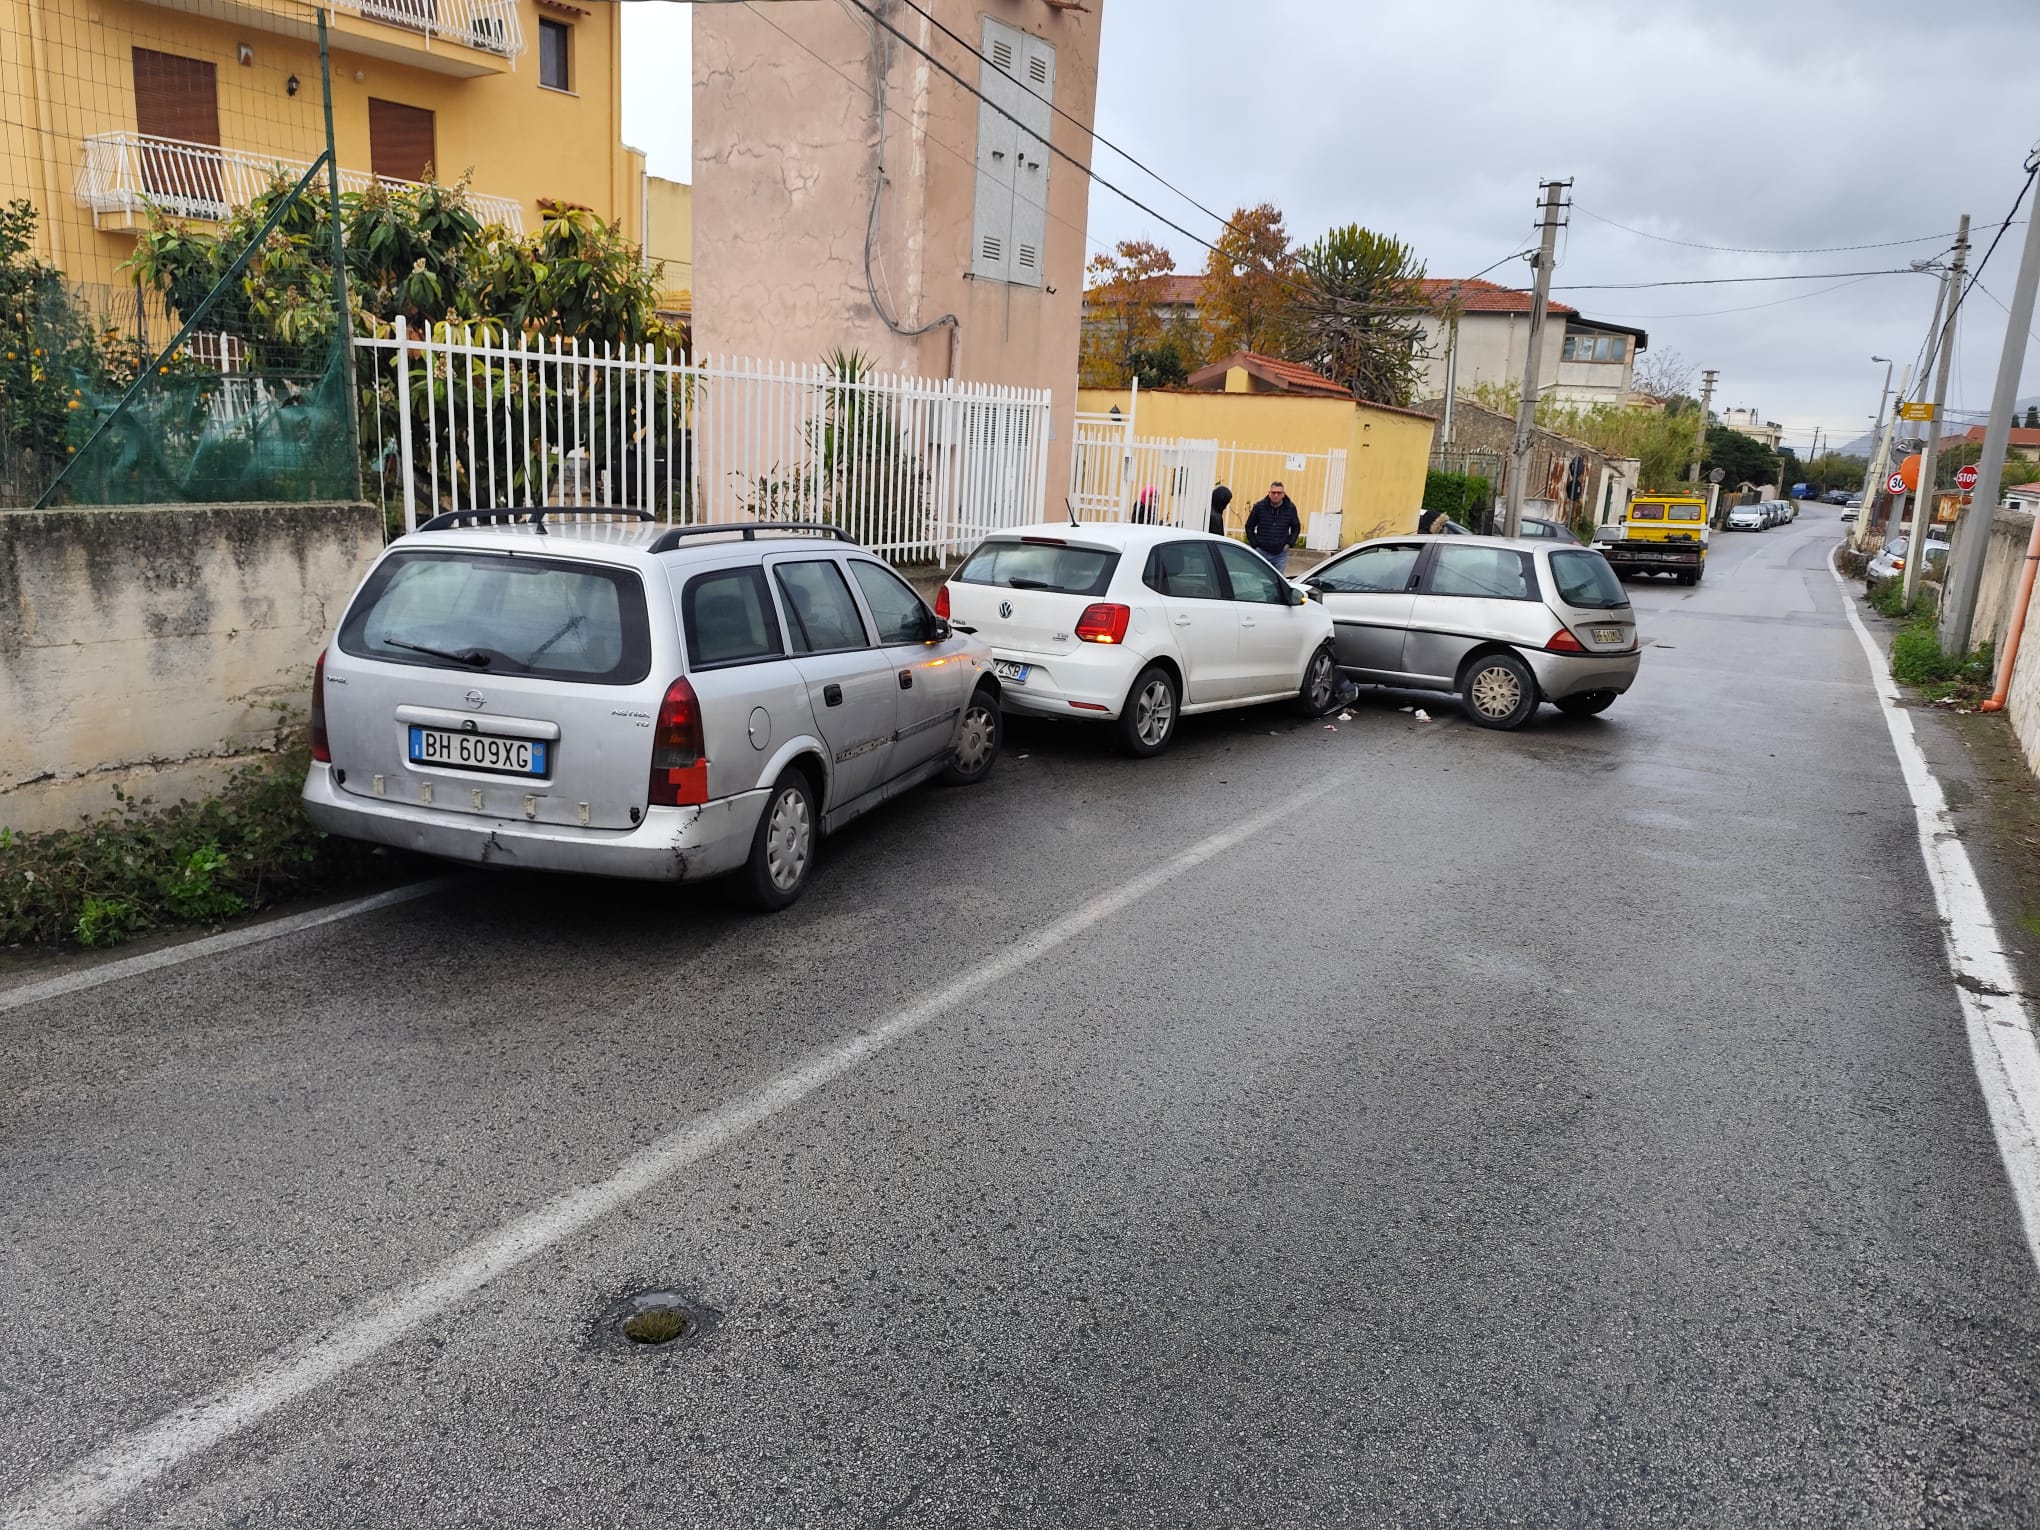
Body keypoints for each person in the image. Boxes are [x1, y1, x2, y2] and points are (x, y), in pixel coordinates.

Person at [1244, 481, 1300, 572]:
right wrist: (1255, 545)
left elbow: (1296, 527)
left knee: (1277, 579)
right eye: (1273, 492)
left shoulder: (1290, 508)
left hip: (1280, 554)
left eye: (1279, 493)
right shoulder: (1259, 507)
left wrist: (1289, 544)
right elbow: (1249, 526)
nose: (1276, 495)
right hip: (1261, 551)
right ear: (1269, 493)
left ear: (1283, 494)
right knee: (1258, 576)